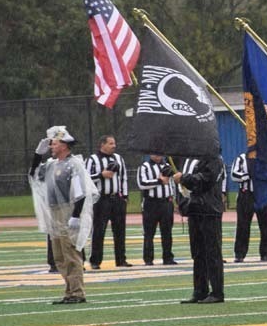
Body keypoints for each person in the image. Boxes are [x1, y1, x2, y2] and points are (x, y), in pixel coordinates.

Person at [28, 126, 97, 304]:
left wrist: (76, 215)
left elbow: (81, 192)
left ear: (65, 145)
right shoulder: (51, 164)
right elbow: (33, 174)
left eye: (55, 143)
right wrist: (37, 155)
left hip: (68, 210)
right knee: (59, 256)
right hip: (54, 211)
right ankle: (69, 291)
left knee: (71, 253)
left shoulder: (74, 164)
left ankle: (77, 292)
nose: (51, 146)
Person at [173, 154, 226, 304]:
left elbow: (206, 179)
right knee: (197, 253)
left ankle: (217, 292)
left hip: (209, 209)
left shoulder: (214, 158)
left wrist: (184, 178)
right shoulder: (188, 158)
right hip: (194, 209)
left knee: (212, 252)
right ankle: (200, 290)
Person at [86, 135, 131, 269]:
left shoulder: (119, 158)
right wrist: (101, 175)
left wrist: (124, 196)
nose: (114, 146)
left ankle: (121, 259)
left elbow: (123, 178)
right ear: (102, 144)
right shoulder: (92, 159)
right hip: (101, 199)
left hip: (117, 198)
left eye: (114, 143)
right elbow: (85, 178)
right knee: (99, 230)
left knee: (120, 231)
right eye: (111, 143)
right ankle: (95, 261)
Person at [230, 153, 267, 263]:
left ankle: (265, 253)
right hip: (246, 195)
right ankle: (239, 254)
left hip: (264, 195)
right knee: (243, 226)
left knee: (266, 226)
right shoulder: (241, 158)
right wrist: (249, 175)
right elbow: (234, 175)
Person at [137, 154, 177, 266]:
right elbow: (142, 184)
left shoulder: (167, 165)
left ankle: (168, 257)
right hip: (151, 203)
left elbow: (172, 184)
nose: (158, 155)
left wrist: (174, 199)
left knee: (167, 232)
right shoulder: (144, 166)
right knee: (149, 232)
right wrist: (159, 181)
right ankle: (148, 259)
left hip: (166, 202)